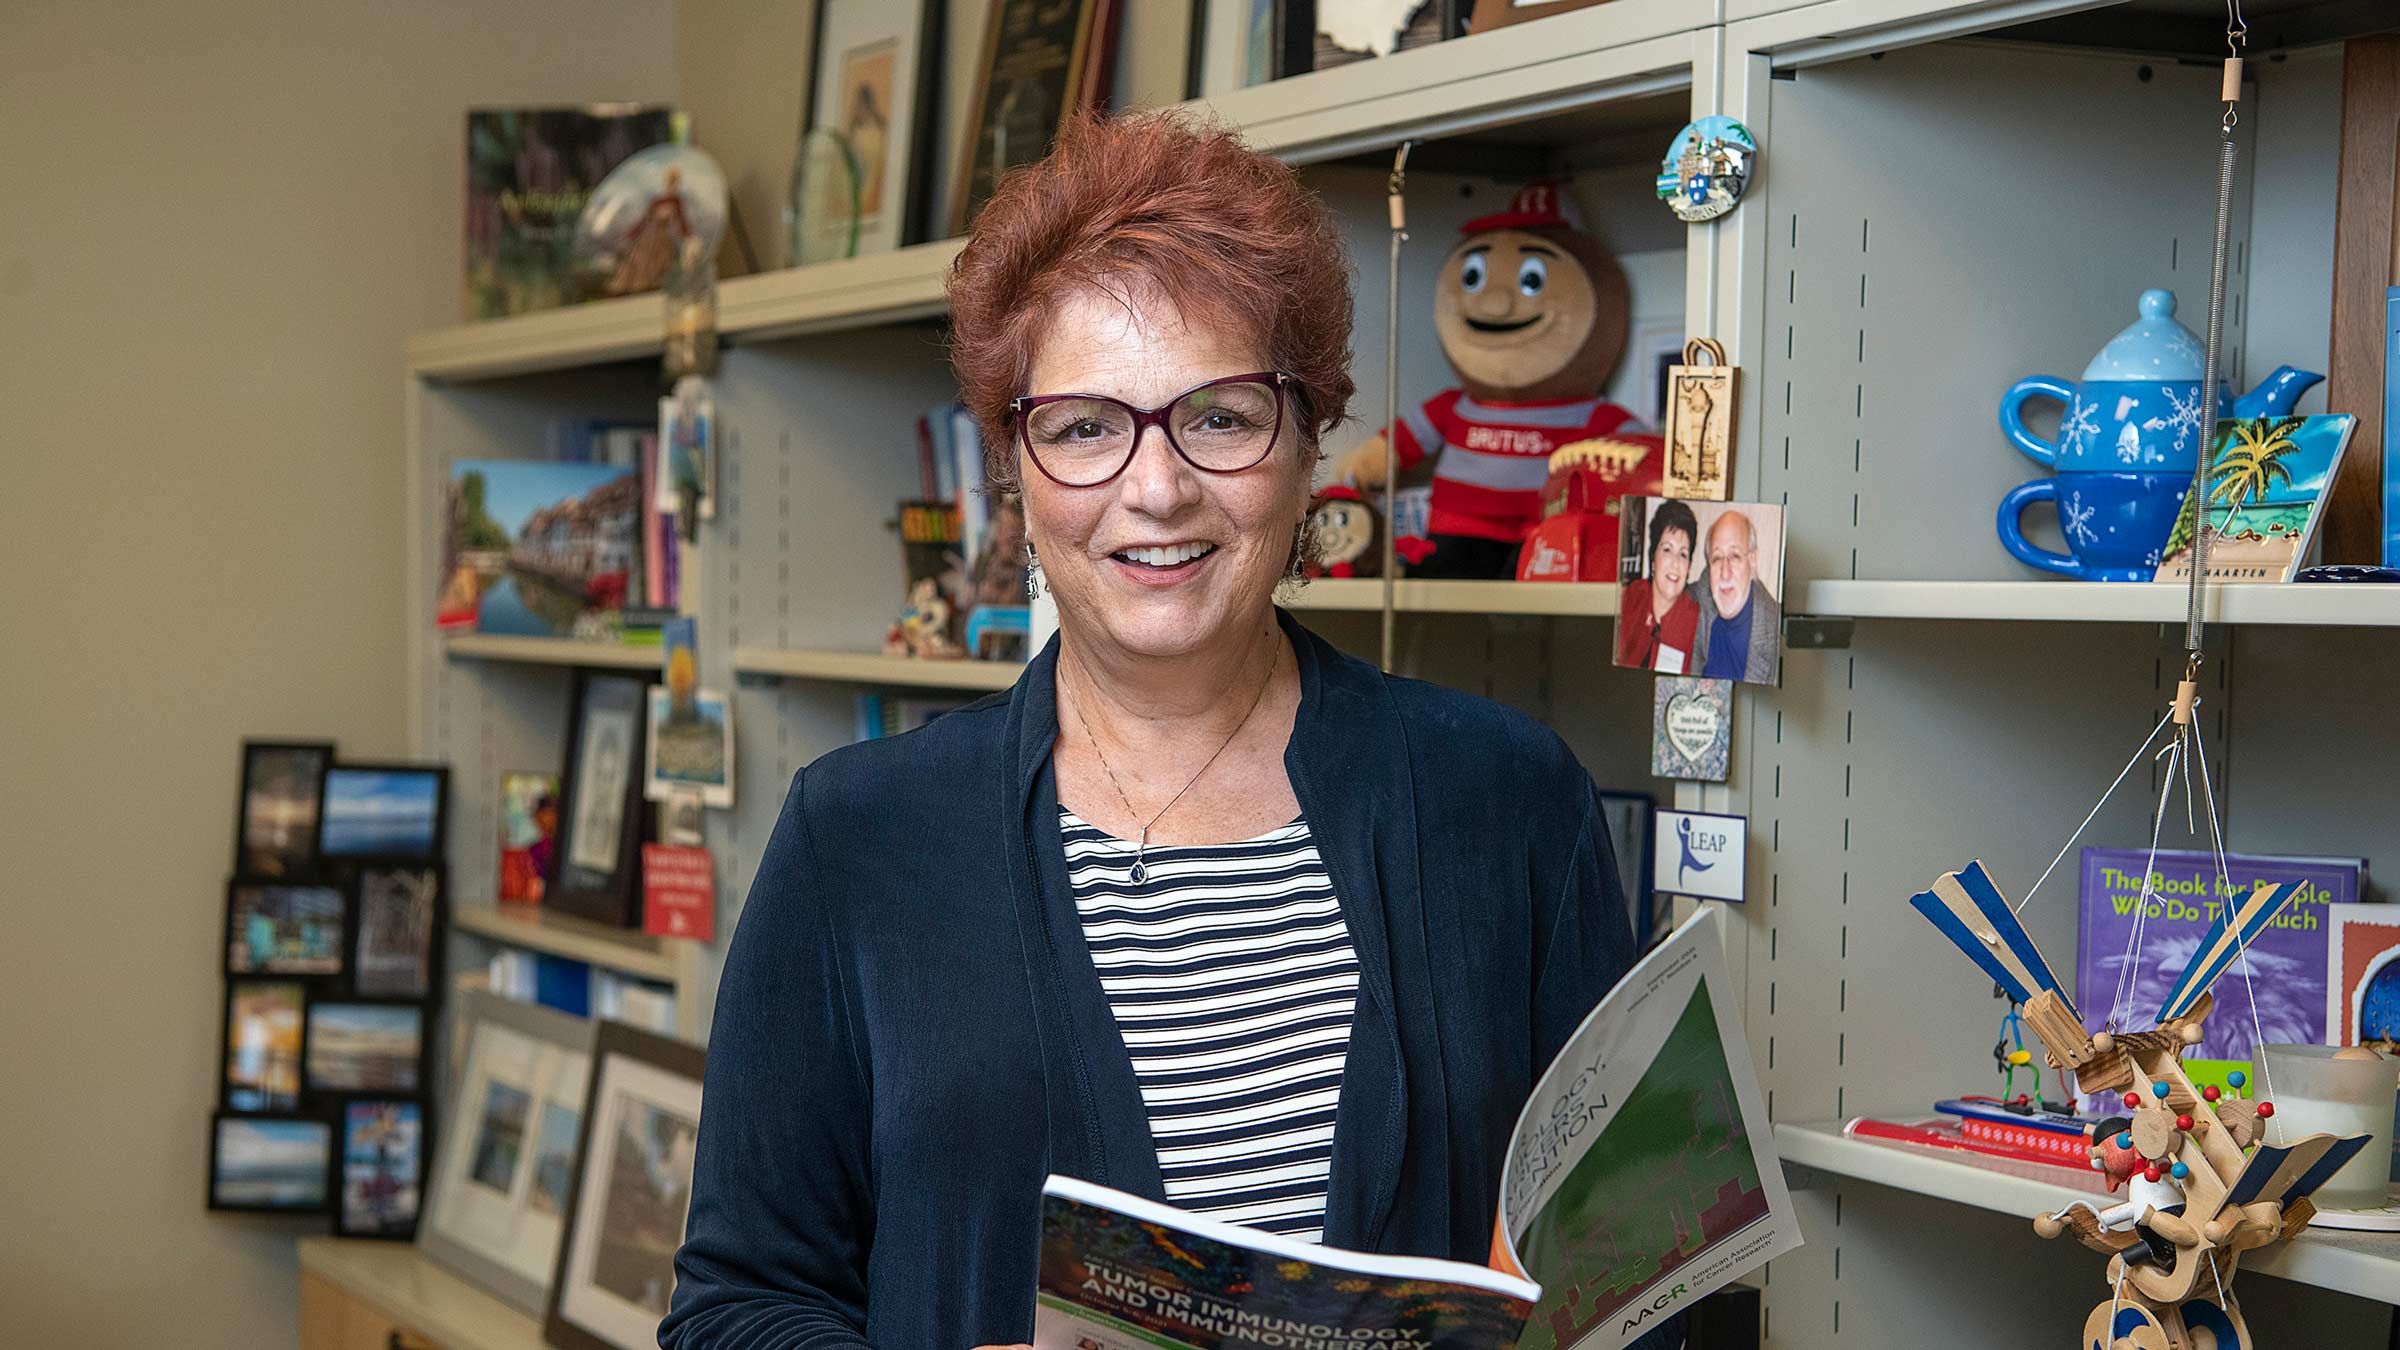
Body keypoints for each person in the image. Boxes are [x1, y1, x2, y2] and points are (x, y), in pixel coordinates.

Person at [660, 111, 1672, 1350]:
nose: (1157, 487)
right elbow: (734, 1309)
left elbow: (1631, 1271)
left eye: (1223, 416)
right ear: (1014, 473)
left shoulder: (1506, 799)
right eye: (1085, 426)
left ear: (1308, 449)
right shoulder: (856, 837)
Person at [1613, 498, 1700, 672]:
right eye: (1667, 549)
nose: (1675, 563)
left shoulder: (1697, 623)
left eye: (1683, 554)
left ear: (1689, 566)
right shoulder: (1631, 597)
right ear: (1653, 558)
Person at [1695, 508, 1780, 684]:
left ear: (1753, 560)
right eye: (1717, 558)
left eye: (1734, 556)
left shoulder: (1776, 635)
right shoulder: (1695, 600)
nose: (1725, 573)